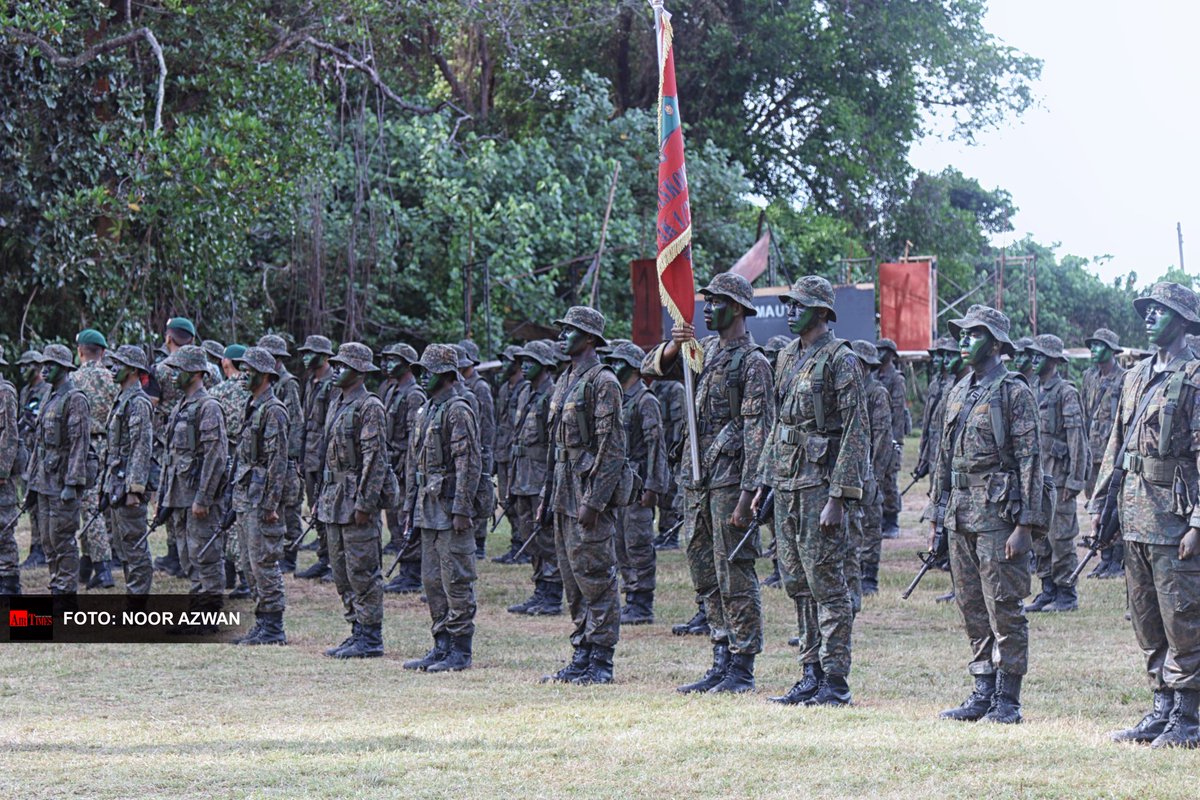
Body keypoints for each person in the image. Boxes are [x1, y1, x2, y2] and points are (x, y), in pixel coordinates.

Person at [643, 273, 774, 694]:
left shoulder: (753, 363)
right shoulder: (706, 350)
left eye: (716, 303)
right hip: (697, 481)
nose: (707, 309)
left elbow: (758, 434)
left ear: (736, 308)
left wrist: (748, 496)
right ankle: (720, 651)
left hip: (729, 482)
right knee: (703, 567)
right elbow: (651, 369)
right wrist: (676, 345)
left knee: (733, 571)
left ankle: (742, 664)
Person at [1096, 282, 1200, 749]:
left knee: (1184, 616)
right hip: (1134, 512)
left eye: (1161, 310)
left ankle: (1189, 715)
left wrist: (1198, 522)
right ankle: (1161, 706)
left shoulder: (1196, 377)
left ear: (1182, 320)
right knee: (1145, 615)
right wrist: (1103, 503)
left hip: (1173, 516)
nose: (1150, 317)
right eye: (1147, 310)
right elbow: (1116, 445)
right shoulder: (1135, 374)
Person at [755, 276, 866, 707]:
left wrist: (839, 498)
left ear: (821, 312)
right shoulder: (787, 356)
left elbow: (857, 432)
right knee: (797, 583)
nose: (789, 309)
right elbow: (779, 426)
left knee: (828, 585)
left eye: (798, 304)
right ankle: (810, 671)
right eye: (788, 302)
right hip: (787, 485)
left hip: (820, 486)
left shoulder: (840, 360)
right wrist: (763, 484)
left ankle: (834, 680)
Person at [933, 305, 1041, 725]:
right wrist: (936, 515)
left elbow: (1031, 460)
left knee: (1004, 605)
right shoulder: (958, 390)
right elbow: (945, 459)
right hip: (961, 513)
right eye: (961, 334)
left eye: (972, 334)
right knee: (971, 604)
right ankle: (982, 687)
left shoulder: (1014, 391)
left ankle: (1008, 698)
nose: (963, 341)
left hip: (999, 513)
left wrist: (1025, 525)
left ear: (995, 344)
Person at [540, 306, 627, 685]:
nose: (562, 337)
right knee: (572, 575)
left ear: (589, 339)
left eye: (569, 331)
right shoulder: (565, 379)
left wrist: (594, 501)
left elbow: (612, 448)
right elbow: (553, 444)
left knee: (595, 574)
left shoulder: (603, 381)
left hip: (586, 488)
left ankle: (601, 660)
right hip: (563, 488)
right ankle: (583, 651)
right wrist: (547, 492)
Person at [402, 344, 482, 672]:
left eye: (429, 371)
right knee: (433, 579)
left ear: (447, 376)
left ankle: (460, 649)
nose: (422, 377)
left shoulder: (457, 409)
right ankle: (441, 643)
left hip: (450, 507)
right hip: (429, 506)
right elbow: (414, 464)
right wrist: (409, 506)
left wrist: (463, 507)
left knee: (456, 578)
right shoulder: (427, 410)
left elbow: (468, 462)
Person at [317, 343, 390, 659]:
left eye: (342, 365)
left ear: (359, 372)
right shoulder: (337, 402)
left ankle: (370, 636)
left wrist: (365, 502)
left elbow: (375, 459)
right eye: (334, 364)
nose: (335, 369)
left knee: (362, 569)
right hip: (334, 499)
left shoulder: (369, 406)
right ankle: (356, 629)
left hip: (355, 499)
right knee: (341, 569)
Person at [228, 347, 291, 645]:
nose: (243, 374)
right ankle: (262, 621)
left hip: (261, 499)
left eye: (249, 369)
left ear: (265, 375)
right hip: (246, 496)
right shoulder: (251, 406)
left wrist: (270, 504)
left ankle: (273, 626)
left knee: (263, 561)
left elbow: (277, 461)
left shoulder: (274, 410)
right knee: (248, 562)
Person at [159, 345, 229, 609]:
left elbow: (216, 455)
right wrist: (166, 497)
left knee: (206, 558)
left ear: (196, 372)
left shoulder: (208, 406)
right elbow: (172, 455)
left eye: (180, 370)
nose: (174, 375)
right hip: (179, 496)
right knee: (188, 558)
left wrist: (204, 496)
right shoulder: (180, 406)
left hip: (198, 498)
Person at [604, 342, 669, 625]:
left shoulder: (645, 400)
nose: (611, 366)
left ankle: (642, 601)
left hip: (639, 482)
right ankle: (630, 594)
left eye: (617, 361)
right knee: (619, 541)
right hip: (619, 483)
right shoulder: (619, 398)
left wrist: (654, 486)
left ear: (631, 366)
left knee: (638, 542)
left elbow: (657, 445)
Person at [1024, 334, 1089, 613]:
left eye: (1039, 356)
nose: (1033, 360)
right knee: (1039, 538)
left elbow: (1078, 439)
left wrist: (1076, 479)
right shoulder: (1032, 389)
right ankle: (1047, 589)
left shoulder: (1066, 392)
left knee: (1061, 538)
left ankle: (1066, 594)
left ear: (1052, 359)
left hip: (1060, 479)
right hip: (1038, 479)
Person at [27, 344, 93, 595]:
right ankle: (56, 585)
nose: (44, 370)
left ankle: (66, 593)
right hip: (44, 480)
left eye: (50, 365)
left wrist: (72, 483)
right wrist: (32, 481)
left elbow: (80, 445)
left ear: (64, 369)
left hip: (62, 481)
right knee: (47, 539)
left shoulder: (75, 399)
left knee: (62, 539)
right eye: (43, 364)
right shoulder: (49, 396)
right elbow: (39, 443)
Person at [505, 340, 562, 616]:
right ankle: (540, 588)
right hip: (522, 477)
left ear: (545, 365)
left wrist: (550, 487)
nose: (524, 365)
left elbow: (555, 444)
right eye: (522, 360)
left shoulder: (552, 394)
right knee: (529, 535)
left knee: (546, 537)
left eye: (531, 361)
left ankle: (552, 593)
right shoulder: (526, 392)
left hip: (540, 478)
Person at [102, 345, 155, 596]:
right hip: (116, 481)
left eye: (119, 364)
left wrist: (135, 489)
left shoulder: (138, 402)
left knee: (135, 546)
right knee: (123, 546)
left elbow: (140, 448)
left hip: (127, 485)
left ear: (133, 369)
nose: (113, 369)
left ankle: (138, 605)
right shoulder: (122, 398)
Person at [152, 317, 200, 578]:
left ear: (168, 337)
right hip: (199, 442)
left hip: (168, 442)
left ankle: (176, 554)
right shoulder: (209, 368)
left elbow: (152, 402)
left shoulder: (159, 369)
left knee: (170, 496)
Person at [1080, 328, 1127, 578]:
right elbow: (1085, 412)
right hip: (1092, 453)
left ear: (1111, 349)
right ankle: (1104, 556)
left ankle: (1117, 560)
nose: (1094, 349)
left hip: (1113, 456)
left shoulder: (1124, 378)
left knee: (1115, 505)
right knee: (1095, 505)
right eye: (1092, 345)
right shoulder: (1089, 377)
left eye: (1099, 345)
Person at [380, 343, 427, 594]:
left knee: (406, 517)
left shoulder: (414, 394)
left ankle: (411, 572)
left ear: (407, 365)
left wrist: (407, 466)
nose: (387, 364)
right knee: (395, 518)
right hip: (392, 463)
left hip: (404, 464)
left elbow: (414, 438)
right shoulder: (392, 392)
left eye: (393, 360)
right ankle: (405, 569)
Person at [74, 328, 119, 589]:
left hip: (85, 448)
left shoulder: (74, 379)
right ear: (102, 352)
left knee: (89, 507)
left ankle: (102, 568)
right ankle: (88, 562)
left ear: (80, 351)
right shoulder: (113, 378)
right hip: (110, 446)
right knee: (98, 504)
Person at [853, 340, 895, 598]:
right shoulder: (851, 391)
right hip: (852, 468)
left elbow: (881, 436)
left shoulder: (876, 393)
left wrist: (873, 475)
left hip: (869, 469)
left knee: (870, 524)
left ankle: (870, 576)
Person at [294, 335, 337, 581]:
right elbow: (305, 420)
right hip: (309, 455)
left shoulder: (333, 383)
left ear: (325, 357)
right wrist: (300, 455)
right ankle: (323, 558)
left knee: (327, 510)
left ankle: (333, 562)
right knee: (315, 509)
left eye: (312, 353)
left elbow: (331, 424)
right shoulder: (311, 382)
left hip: (324, 455)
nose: (307, 357)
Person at [210, 345, 251, 598]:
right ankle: (240, 573)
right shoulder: (255, 389)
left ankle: (240, 574)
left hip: (227, 456)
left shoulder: (218, 392)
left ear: (226, 363)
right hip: (250, 458)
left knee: (227, 513)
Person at [456, 340, 496, 560]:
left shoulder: (479, 387)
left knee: (477, 495)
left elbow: (487, 424)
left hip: (479, 449)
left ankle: (479, 543)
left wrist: (486, 453)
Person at [493, 345, 528, 563]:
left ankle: (523, 545)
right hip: (502, 452)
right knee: (506, 500)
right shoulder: (505, 388)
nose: (504, 365)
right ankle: (516, 544)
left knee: (519, 501)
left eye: (508, 361)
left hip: (518, 455)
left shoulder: (525, 388)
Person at [17, 350, 50, 569]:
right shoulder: (25, 391)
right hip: (26, 454)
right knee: (30, 503)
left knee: (41, 504)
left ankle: (42, 549)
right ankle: (36, 547)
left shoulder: (47, 390)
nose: (22, 370)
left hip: (41, 455)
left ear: (37, 367)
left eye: (26, 366)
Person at [876, 338, 909, 538]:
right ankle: (880, 518)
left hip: (891, 436)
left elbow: (898, 412)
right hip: (877, 434)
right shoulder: (875, 374)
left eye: (883, 351)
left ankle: (892, 521)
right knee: (878, 477)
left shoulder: (896, 379)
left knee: (890, 479)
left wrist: (896, 441)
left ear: (891, 354)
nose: (879, 354)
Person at [0, 351, 21, 595]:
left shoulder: (5, 391)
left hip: (1, 472)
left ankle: (10, 579)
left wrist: (3, 468)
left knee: (3, 526)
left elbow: (10, 433)